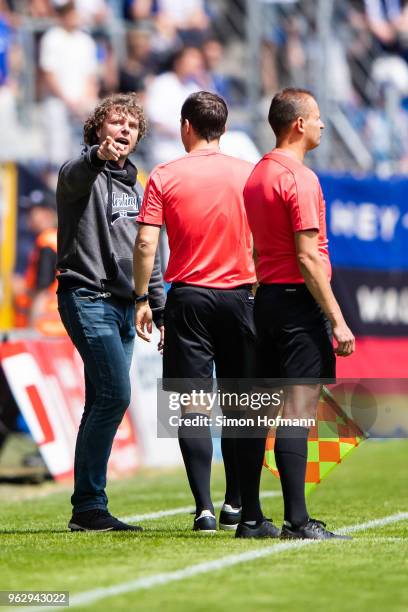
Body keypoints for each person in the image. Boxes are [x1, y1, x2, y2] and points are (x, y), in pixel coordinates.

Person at [134, 91, 279, 538]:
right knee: (240, 406)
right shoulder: (249, 174)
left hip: (189, 298)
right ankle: (237, 501)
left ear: (185, 127)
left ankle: (203, 509)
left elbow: (145, 244)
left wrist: (143, 298)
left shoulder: (164, 174)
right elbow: (265, 236)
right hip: (241, 296)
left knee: (192, 407)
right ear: (224, 127)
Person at [244, 88, 355, 540]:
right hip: (295, 303)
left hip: (266, 298)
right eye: (318, 117)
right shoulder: (300, 178)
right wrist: (337, 319)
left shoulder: (257, 174)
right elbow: (308, 258)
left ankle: (250, 516)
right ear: (299, 125)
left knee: (260, 412)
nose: (324, 124)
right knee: (298, 413)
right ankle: (297, 520)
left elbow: (257, 245)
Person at [56, 92, 166, 532]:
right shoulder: (78, 173)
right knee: (116, 395)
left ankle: (87, 507)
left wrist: (155, 304)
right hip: (87, 297)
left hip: (125, 306)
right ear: (98, 130)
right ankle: (89, 505)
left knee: (103, 399)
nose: (124, 130)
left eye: (132, 125)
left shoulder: (138, 188)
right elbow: (77, 174)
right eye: (116, 122)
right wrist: (96, 157)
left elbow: (149, 252)